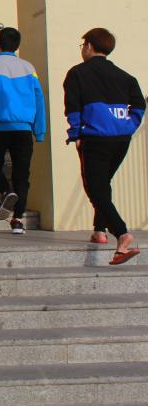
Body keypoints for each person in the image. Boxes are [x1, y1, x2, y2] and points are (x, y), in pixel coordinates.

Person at [63, 27, 145, 265]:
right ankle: (99, 230)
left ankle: (122, 234)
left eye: (83, 46)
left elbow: (73, 108)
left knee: (95, 188)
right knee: (102, 184)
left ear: (89, 46)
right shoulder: (126, 77)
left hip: (95, 139)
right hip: (121, 139)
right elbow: (139, 106)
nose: (82, 50)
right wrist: (129, 125)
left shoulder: (77, 73)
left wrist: (75, 134)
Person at [0, 27, 46, 235]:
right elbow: (39, 99)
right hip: (23, 130)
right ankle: (18, 220)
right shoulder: (29, 68)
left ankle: (6, 191)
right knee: (22, 174)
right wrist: (39, 130)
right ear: (17, 46)